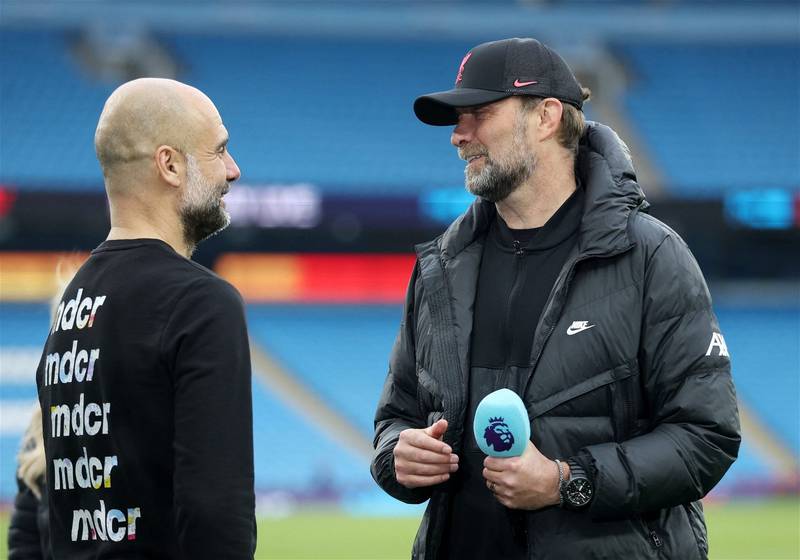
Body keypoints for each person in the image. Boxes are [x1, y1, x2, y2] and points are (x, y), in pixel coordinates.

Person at [371, 38, 740, 559]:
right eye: (457, 119)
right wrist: (399, 457)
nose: (458, 136)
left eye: (478, 113)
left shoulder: (651, 255)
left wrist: (568, 480)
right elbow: (395, 417)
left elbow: (707, 437)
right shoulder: (441, 266)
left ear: (545, 117)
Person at [35, 78, 256, 559]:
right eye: (220, 150)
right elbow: (216, 512)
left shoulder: (72, 304)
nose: (234, 171)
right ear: (170, 165)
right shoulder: (201, 302)